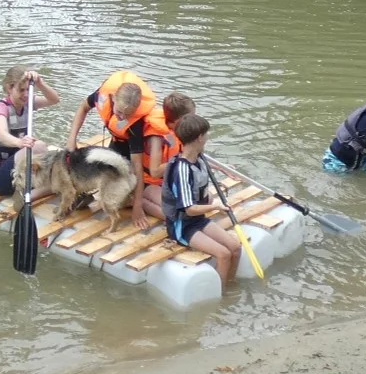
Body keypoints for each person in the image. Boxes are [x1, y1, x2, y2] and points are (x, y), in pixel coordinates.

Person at [65, 70, 174, 228]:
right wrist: (71, 139)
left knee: (118, 197)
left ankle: (134, 200)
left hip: (131, 150)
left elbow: (137, 167)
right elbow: (83, 108)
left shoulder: (135, 124)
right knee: (80, 163)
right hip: (115, 143)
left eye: (128, 114)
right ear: (113, 97)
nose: (122, 117)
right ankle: (81, 194)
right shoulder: (101, 96)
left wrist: (137, 207)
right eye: (120, 112)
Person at [162, 113, 243, 288]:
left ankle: (230, 284)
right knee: (223, 254)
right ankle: (220, 294)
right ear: (199, 138)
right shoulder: (182, 170)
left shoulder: (198, 157)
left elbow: (205, 167)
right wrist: (215, 206)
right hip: (182, 226)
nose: (207, 137)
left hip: (199, 219)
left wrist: (225, 169)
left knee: (235, 248)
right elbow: (189, 209)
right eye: (205, 134)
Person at [0, 66, 59, 195]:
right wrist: (21, 143)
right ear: (10, 88)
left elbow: (54, 100)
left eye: (28, 89)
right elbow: (3, 135)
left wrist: (40, 83)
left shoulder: (27, 103)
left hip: (19, 169)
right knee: (40, 147)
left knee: (56, 157)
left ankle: (56, 186)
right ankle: (31, 195)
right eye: (21, 90)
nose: (26, 94)